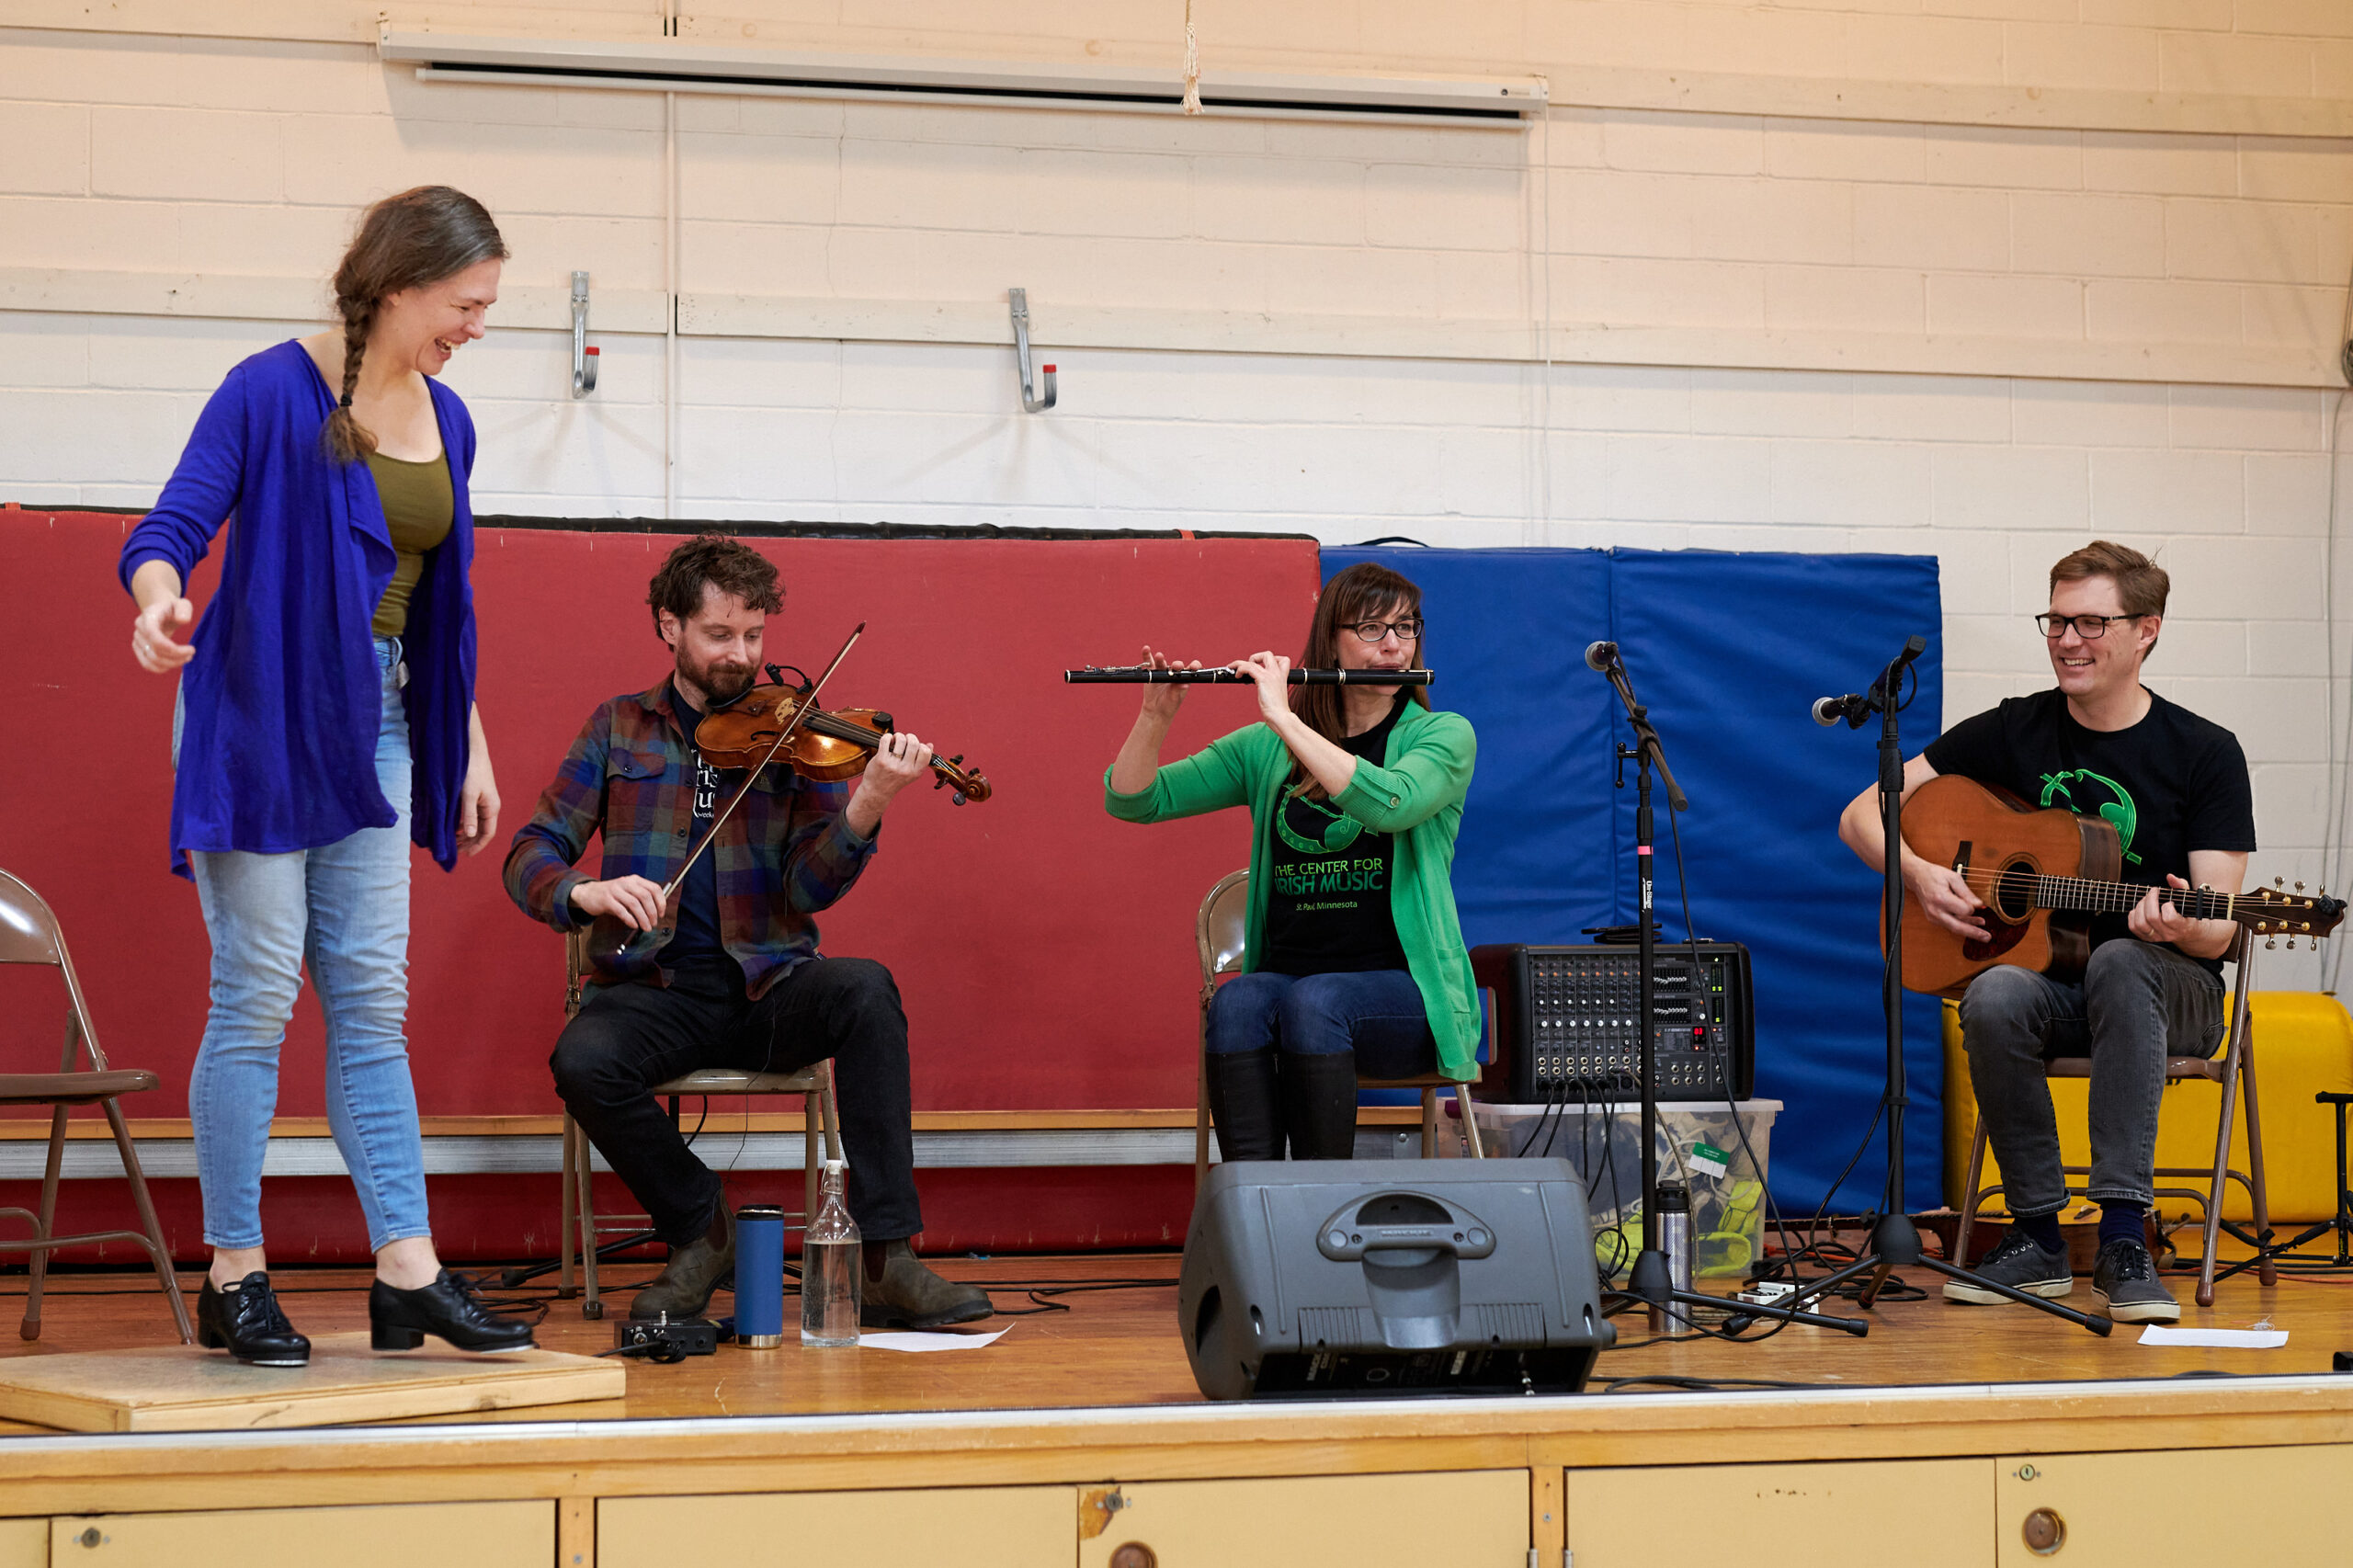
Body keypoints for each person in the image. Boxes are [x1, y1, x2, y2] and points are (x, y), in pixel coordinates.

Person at [119, 186, 534, 1366]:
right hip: (259, 714)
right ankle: (235, 1272)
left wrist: (472, 737)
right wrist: (160, 610)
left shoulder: (447, 420)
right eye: (468, 303)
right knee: (253, 996)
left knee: (371, 1001)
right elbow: (167, 531)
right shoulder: (270, 386)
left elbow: (438, 605)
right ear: (402, 283)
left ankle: (406, 1270)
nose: (477, 327)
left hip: (387, 719)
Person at [505, 534, 992, 1328]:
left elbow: (810, 887)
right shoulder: (618, 728)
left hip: (768, 989)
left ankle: (884, 1257)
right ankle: (702, 1231)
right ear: (670, 626)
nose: (742, 657)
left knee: (866, 989)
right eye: (719, 635)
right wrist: (585, 891)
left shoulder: (796, 734)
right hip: (653, 992)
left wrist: (868, 802)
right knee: (582, 1061)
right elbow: (531, 852)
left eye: (755, 636)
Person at [1838, 541, 2254, 1324]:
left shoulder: (2204, 752)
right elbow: (1862, 814)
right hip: (2062, 986)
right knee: (1993, 991)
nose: (2068, 640)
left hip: (2177, 992)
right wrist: (1923, 877)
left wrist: (2179, 925)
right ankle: (2037, 1234)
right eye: (2057, 621)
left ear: (2147, 631)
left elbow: (2219, 931)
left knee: (2128, 960)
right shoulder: (2012, 730)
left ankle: (2124, 1237)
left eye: (2092, 621)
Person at [1103, 562, 1480, 1161]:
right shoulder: (1265, 752)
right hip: (1296, 986)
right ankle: (1254, 1210)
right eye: (1373, 629)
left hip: (1403, 1001)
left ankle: (1319, 1213)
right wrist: (1154, 719)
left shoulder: (1443, 735)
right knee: (1237, 1001)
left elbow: (1392, 804)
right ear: (1331, 640)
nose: (1393, 646)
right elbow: (1134, 800)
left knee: (1316, 1001)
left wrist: (1282, 716)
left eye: (1406, 629)